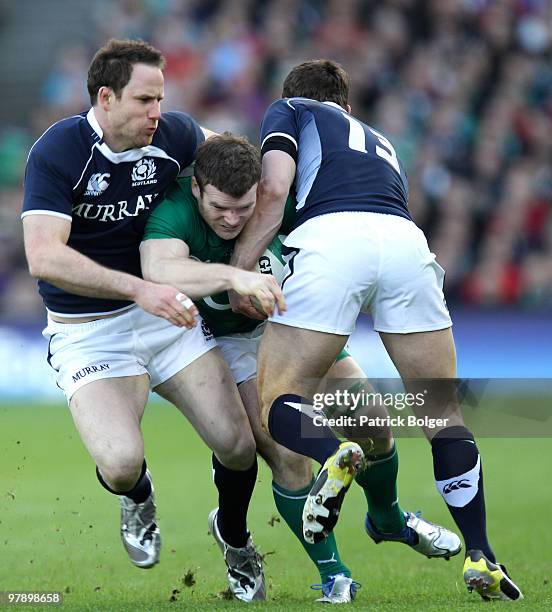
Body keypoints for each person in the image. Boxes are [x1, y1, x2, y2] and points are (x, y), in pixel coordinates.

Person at [229, 60, 523, 602]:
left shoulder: (290, 110)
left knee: (278, 402)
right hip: (406, 240)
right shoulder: (380, 140)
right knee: (442, 412)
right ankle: (481, 552)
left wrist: (240, 271)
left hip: (334, 238)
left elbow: (274, 190)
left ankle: (333, 454)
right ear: (348, 104)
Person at [140, 133, 461, 604]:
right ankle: (334, 573)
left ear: (260, 195)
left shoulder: (283, 200)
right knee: (286, 452)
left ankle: (388, 519)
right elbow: (160, 270)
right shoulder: (175, 210)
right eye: (219, 209)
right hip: (228, 342)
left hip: (293, 328)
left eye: (243, 209)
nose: (231, 220)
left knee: (373, 426)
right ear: (197, 190)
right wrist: (236, 275)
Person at [21, 39, 283, 603]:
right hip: (89, 329)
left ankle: (235, 540)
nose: (156, 112)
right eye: (145, 100)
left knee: (238, 444)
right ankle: (137, 497)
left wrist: (241, 267)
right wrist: (141, 287)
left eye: (161, 98)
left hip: (167, 318)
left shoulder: (175, 134)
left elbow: (243, 170)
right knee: (119, 463)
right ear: (106, 97)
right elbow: (44, 257)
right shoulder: (59, 151)